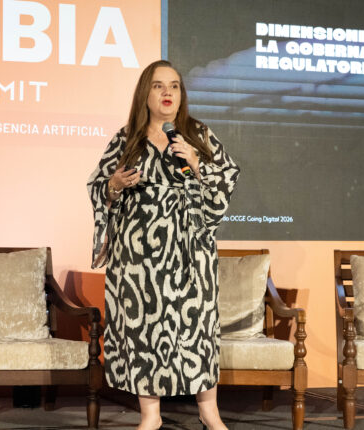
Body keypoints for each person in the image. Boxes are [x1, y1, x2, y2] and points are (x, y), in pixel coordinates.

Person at [87, 60, 240, 430]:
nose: (167, 92)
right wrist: (115, 186)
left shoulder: (197, 134)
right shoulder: (127, 139)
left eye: (174, 85)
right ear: (146, 93)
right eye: (158, 86)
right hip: (137, 252)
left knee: (197, 326)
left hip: (190, 248)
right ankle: (151, 415)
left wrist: (197, 164)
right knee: (144, 327)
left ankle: (209, 412)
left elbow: (227, 179)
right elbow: (99, 186)